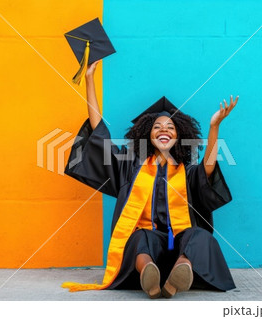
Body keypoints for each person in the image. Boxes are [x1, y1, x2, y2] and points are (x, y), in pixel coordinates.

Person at [62, 60, 239, 298]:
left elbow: (208, 168)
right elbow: (100, 134)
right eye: (157, 127)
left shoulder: (186, 171)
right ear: (147, 135)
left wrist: (214, 126)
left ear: (179, 136)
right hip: (147, 251)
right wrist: (89, 80)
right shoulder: (131, 167)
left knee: (200, 236)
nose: (164, 130)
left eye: (170, 127)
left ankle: (180, 271)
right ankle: (149, 275)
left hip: (179, 247)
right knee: (138, 236)